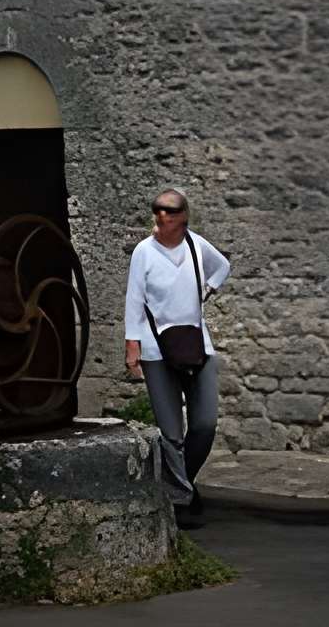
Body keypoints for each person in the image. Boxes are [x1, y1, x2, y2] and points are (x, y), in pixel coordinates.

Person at [123, 187, 230, 526]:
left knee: (204, 424)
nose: (161, 216)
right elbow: (134, 299)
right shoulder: (144, 251)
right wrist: (132, 347)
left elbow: (223, 266)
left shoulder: (197, 246)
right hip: (157, 352)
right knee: (170, 433)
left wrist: (206, 291)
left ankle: (181, 481)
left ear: (183, 216)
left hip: (198, 346)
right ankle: (181, 499)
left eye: (168, 211)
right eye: (157, 210)